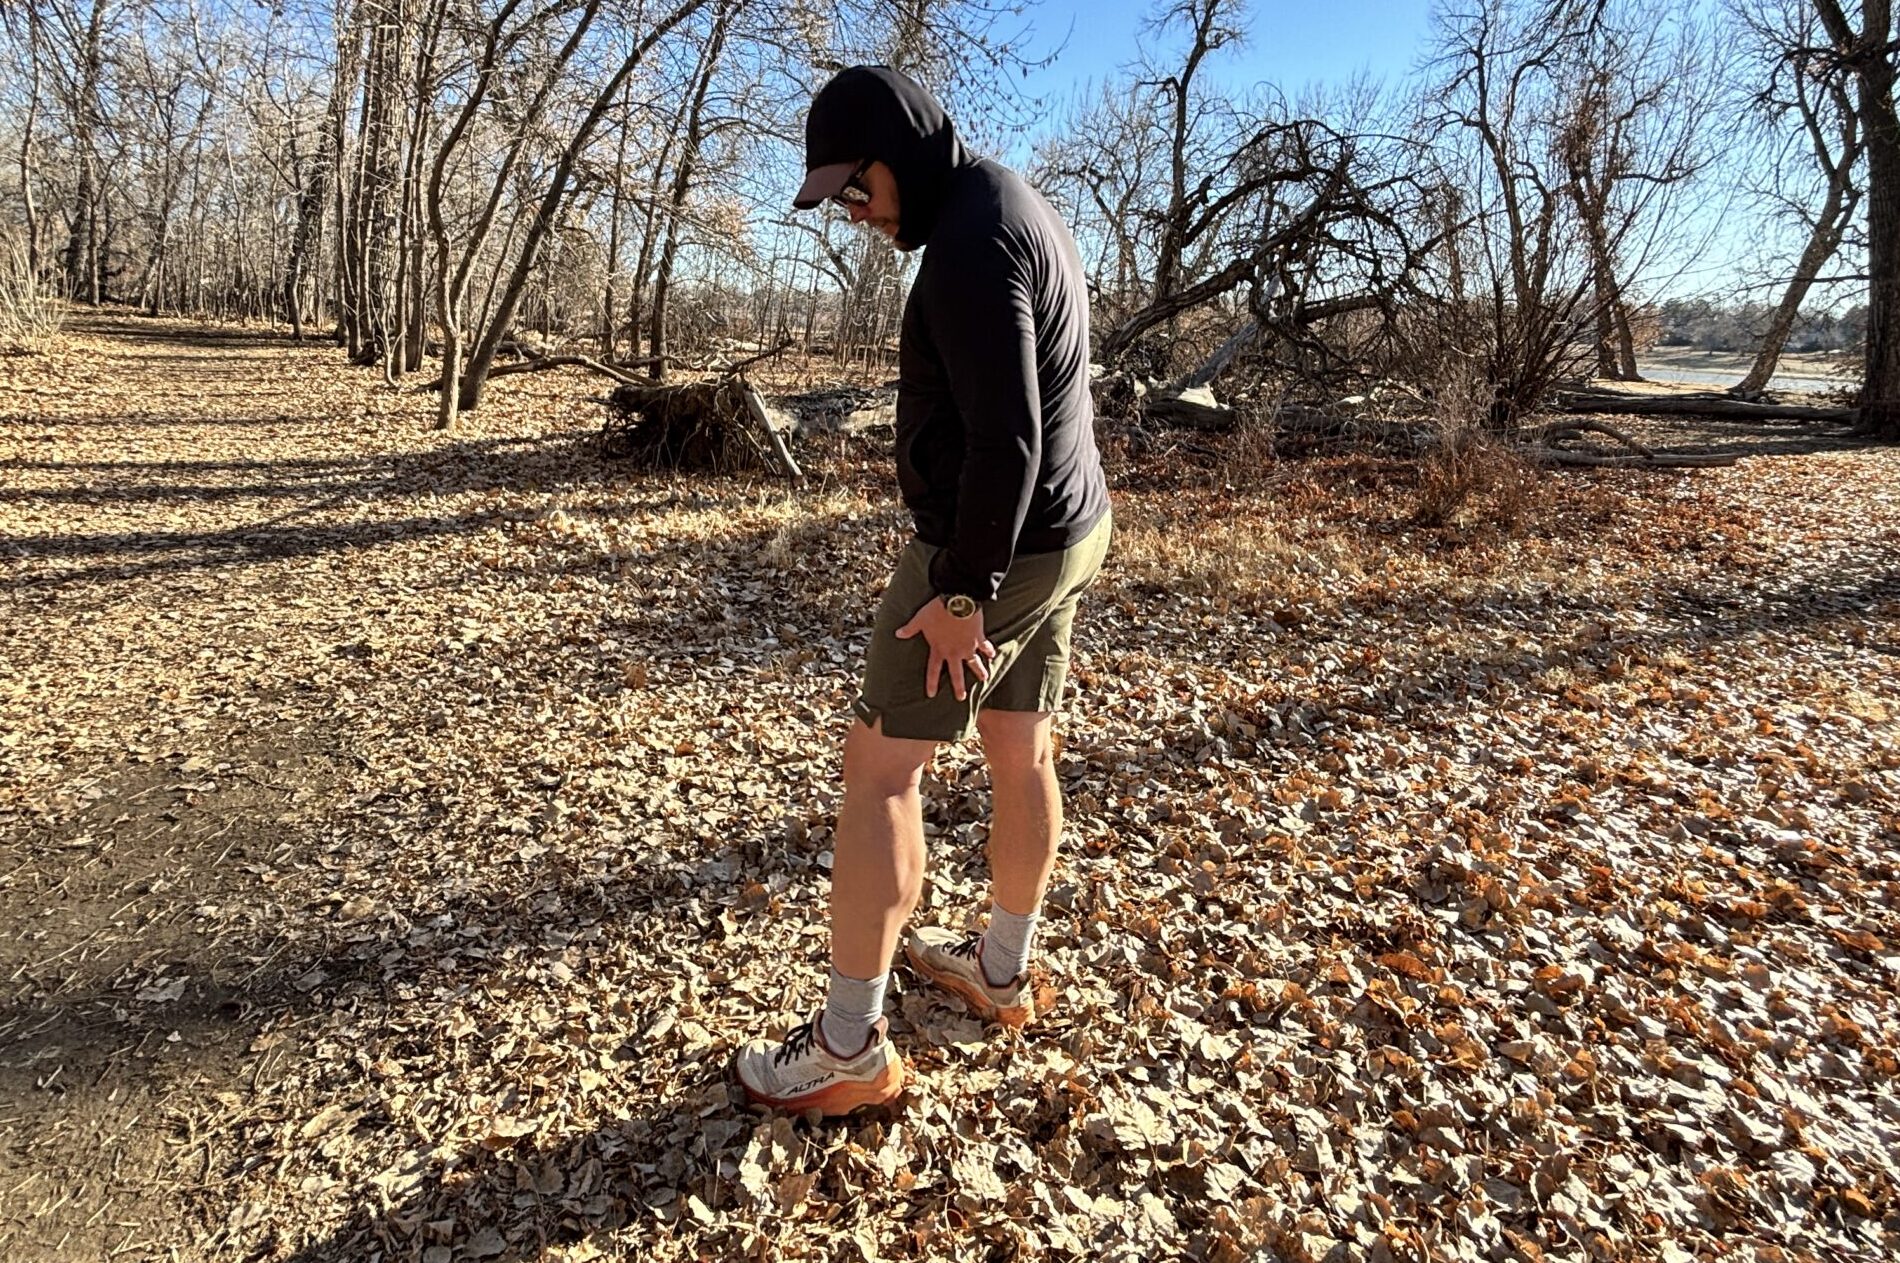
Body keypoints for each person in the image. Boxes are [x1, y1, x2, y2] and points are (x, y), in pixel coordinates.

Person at [734, 65, 1111, 1115]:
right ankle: (999, 971)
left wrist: (960, 591)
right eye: (837, 202)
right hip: (1070, 530)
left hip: (998, 549)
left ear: (896, 154)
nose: (851, 216)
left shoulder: (968, 249)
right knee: (1019, 744)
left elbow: (1010, 437)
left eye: (855, 190)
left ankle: (846, 1045)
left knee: (879, 776)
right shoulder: (1008, 200)